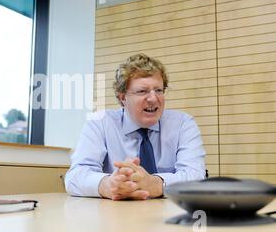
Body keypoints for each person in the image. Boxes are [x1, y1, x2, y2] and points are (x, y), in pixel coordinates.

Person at [65, 53, 206, 200]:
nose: (153, 98)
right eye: (142, 91)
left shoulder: (183, 124)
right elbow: (75, 177)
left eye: (158, 90)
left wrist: (156, 184)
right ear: (122, 98)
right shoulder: (100, 122)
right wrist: (108, 185)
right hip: (114, 216)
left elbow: (196, 176)